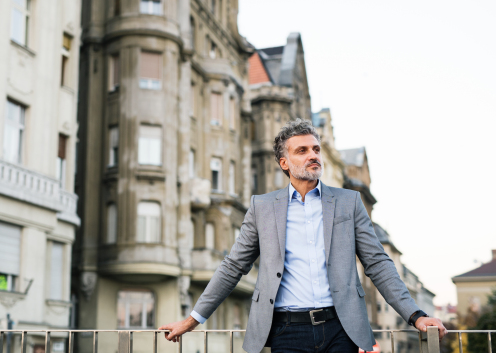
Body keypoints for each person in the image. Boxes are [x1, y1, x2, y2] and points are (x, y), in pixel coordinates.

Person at [159, 119, 447, 353]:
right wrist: (192, 320)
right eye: (302, 151)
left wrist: (416, 315)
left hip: (341, 328)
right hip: (287, 331)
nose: (313, 155)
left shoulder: (349, 202)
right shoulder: (262, 207)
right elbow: (233, 266)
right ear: (284, 163)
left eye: (316, 149)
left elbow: (378, 263)